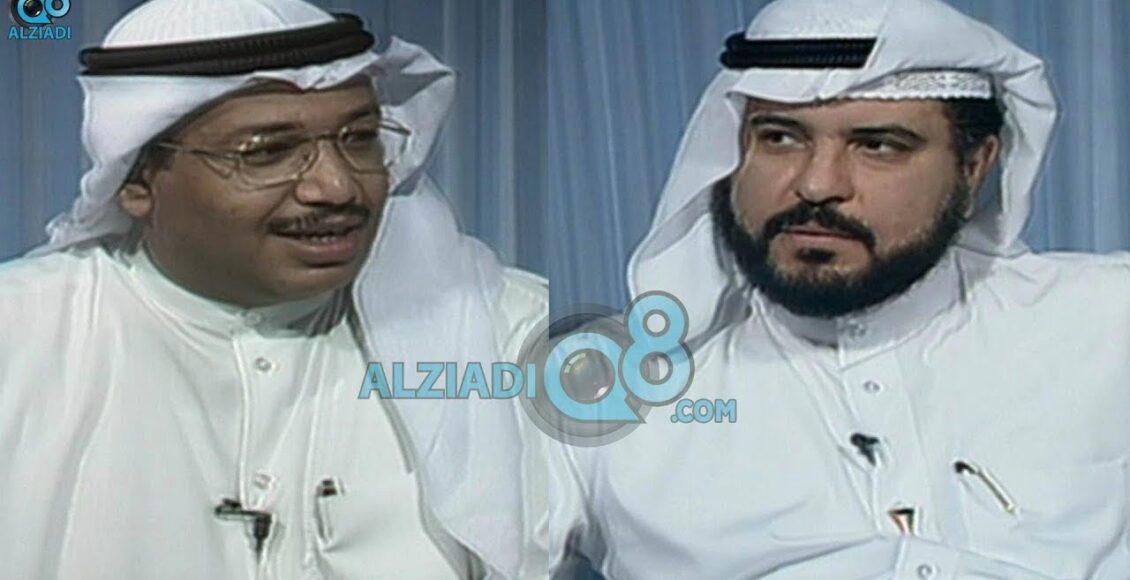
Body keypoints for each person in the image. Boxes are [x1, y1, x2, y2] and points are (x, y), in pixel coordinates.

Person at [551, 0, 1130, 578]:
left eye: (878, 146)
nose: (817, 184)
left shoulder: (1107, 322)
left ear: (975, 166)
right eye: (780, 138)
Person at [0, 0, 548, 578]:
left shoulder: (510, 332)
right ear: (137, 182)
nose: (336, 187)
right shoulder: (19, 336)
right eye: (266, 152)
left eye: (359, 138)